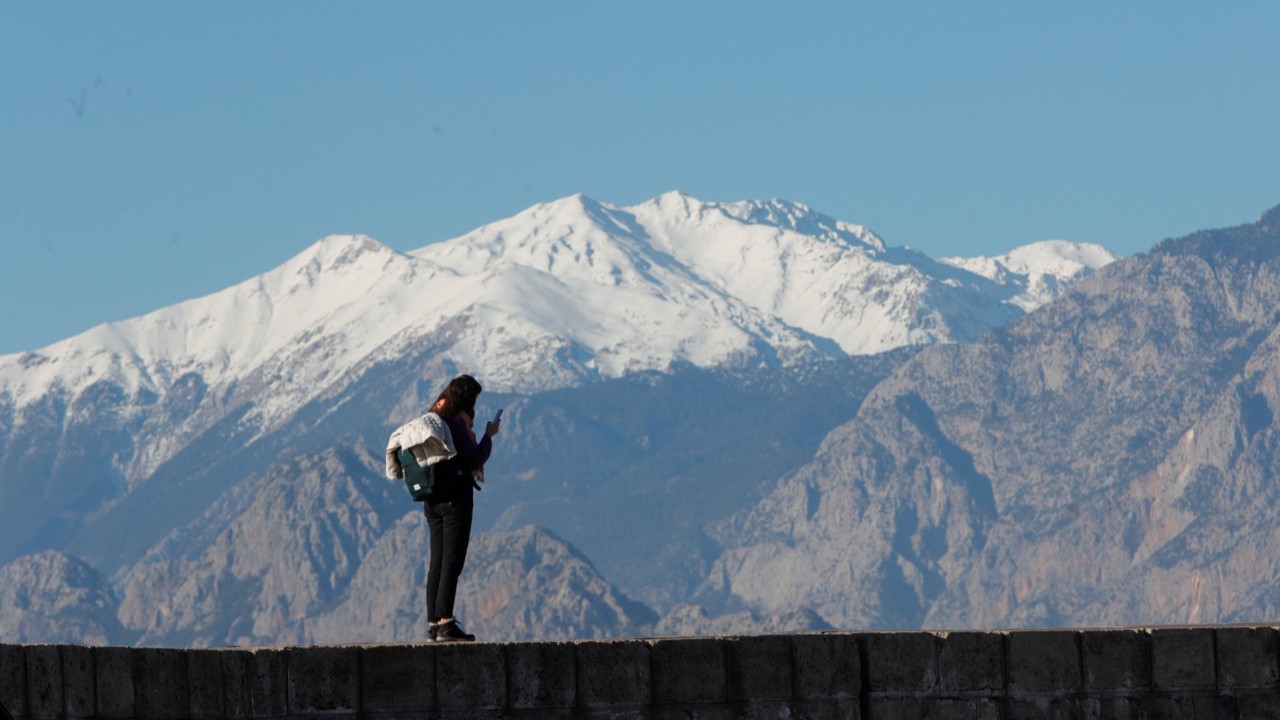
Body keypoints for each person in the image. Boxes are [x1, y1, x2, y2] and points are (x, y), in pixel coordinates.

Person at [423, 374, 500, 642]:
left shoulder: (435, 416)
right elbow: (475, 457)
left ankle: (433, 624)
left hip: (432, 500)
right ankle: (446, 623)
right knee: (451, 563)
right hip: (455, 498)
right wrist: (489, 436)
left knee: (437, 562)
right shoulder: (455, 422)